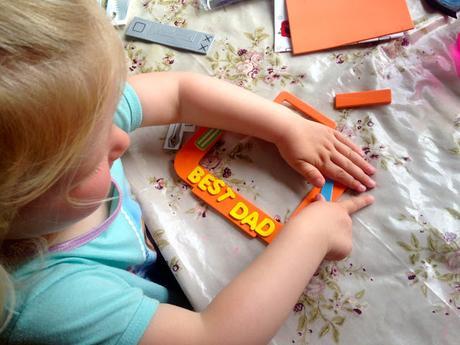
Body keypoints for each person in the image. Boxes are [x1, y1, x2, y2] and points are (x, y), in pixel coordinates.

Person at [0, 1, 375, 344]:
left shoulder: (71, 118)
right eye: (91, 159)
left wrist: (284, 126)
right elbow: (215, 338)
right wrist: (312, 235)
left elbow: (179, 92)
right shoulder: (46, 304)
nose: (121, 140)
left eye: (108, 111)